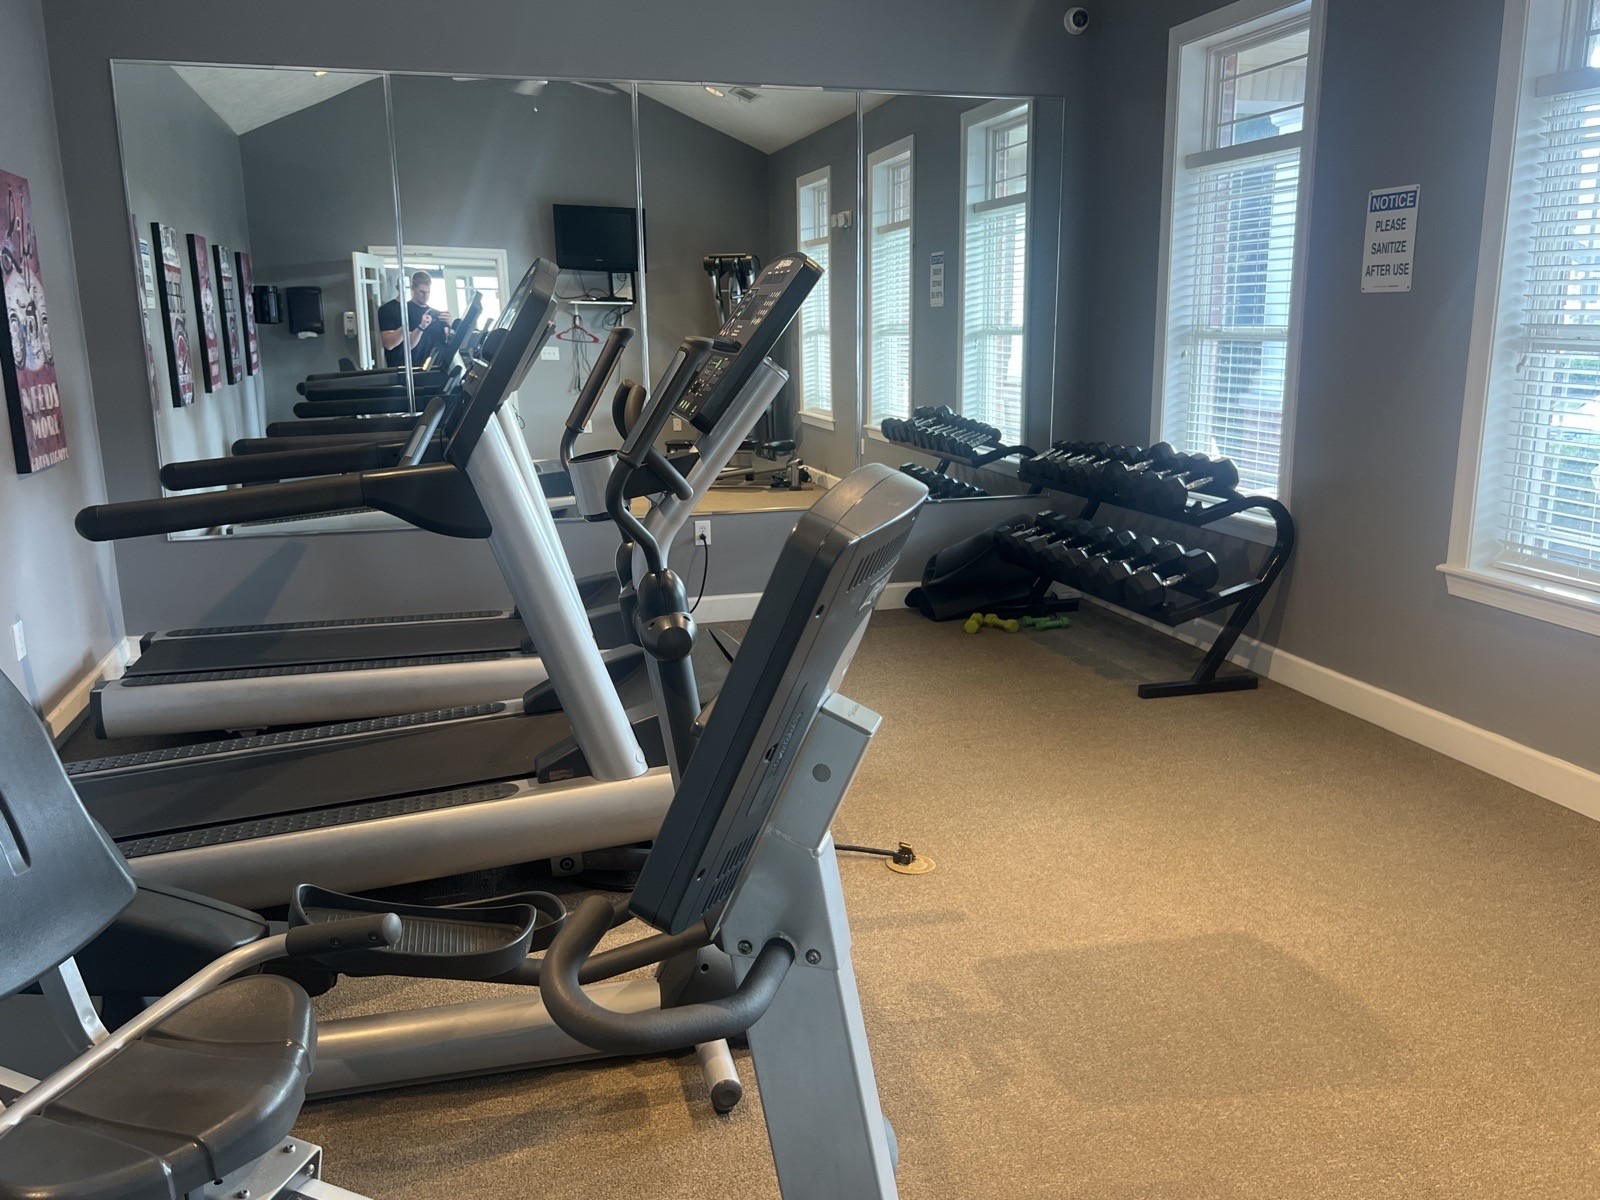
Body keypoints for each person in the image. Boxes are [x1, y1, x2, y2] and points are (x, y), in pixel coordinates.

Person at [378, 270, 452, 369]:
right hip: (406, 369)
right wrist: (419, 326)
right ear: (412, 288)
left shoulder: (436, 314)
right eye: (421, 292)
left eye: (428, 292)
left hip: (435, 368)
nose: (425, 296)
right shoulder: (396, 310)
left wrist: (450, 325)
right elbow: (390, 344)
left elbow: (447, 343)